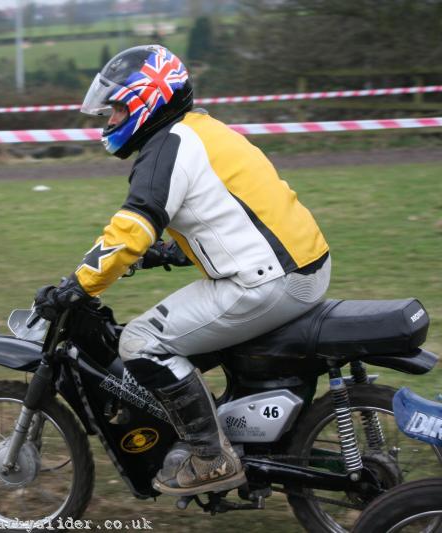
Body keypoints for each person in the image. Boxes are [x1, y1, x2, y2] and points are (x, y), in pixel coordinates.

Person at [33, 44, 331, 497]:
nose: (109, 121)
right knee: (185, 334)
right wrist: (170, 252)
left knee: (141, 342)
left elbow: (130, 228)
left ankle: (211, 458)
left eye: (115, 109)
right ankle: (233, 431)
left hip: (269, 281)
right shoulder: (203, 130)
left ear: (144, 101)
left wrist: (78, 285)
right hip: (304, 266)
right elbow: (228, 211)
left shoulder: (165, 148)